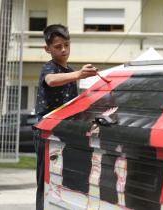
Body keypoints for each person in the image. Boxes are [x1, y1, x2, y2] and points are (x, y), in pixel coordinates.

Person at [33, 24, 98, 210]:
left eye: (67, 45)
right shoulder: (49, 68)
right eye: (58, 46)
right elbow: (51, 80)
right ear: (47, 49)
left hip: (66, 134)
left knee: (66, 182)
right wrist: (78, 74)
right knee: (46, 182)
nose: (64, 50)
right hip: (46, 134)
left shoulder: (71, 71)